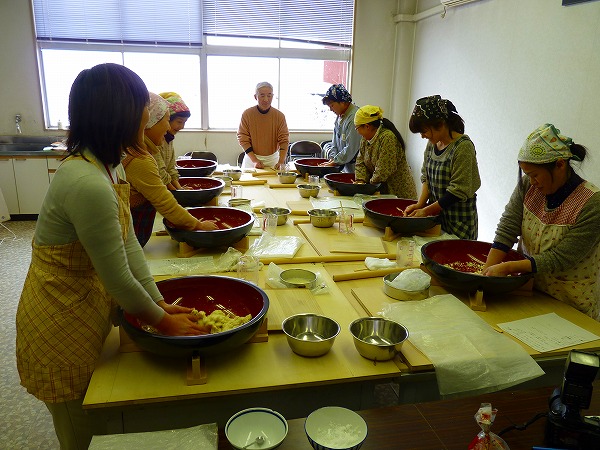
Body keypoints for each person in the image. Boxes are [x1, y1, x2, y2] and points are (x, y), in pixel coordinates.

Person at [15, 63, 209, 450]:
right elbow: (117, 274)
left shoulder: (108, 167)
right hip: (60, 319)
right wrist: (163, 323)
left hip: (83, 304)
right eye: (142, 106)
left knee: (96, 411)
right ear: (119, 113)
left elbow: (129, 245)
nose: (152, 115)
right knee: (78, 430)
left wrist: (157, 302)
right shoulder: (86, 182)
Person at [483, 124, 600, 320]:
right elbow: (508, 226)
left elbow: (562, 258)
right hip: (529, 290)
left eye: (535, 175)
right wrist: (485, 275)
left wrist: (509, 267)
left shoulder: (592, 203)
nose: (532, 181)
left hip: (570, 301)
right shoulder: (529, 185)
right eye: (527, 175)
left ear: (560, 165)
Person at [123, 92, 217, 247]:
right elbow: (164, 202)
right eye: (167, 120)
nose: (168, 127)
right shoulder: (140, 158)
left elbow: (170, 171)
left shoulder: (139, 149)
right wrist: (198, 225)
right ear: (149, 123)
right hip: (131, 235)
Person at [406, 95, 480, 239]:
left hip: (459, 223)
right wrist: (420, 204)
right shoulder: (433, 143)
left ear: (439, 124)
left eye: (424, 131)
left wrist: (426, 211)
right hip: (437, 218)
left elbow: (457, 191)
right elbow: (426, 177)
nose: (422, 136)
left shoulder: (463, 147)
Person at [353, 105, 417, 199]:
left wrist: (367, 188)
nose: (357, 132)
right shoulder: (365, 139)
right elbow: (360, 160)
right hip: (379, 189)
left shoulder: (388, 138)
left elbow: (383, 170)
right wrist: (360, 180)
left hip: (397, 192)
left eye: (357, 128)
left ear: (367, 126)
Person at [237, 81, 289, 170]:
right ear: (255, 97)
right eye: (262, 95)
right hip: (251, 159)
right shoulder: (247, 114)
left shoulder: (279, 116)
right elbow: (243, 138)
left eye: (269, 96)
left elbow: (284, 140)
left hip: (273, 160)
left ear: (273, 96)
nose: (266, 99)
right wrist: (255, 160)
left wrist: (281, 161)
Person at [318, 84, 361, 172]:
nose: (330, 109)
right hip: (344, 168)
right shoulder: (340, 116)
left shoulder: (354, 118)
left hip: (356, 169)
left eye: (332, 106)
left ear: (342, 102)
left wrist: (335, 161)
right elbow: (335, 143)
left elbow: (351, 148)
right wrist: (332, 159)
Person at [156, 91, 191, 190]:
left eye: (184, 122)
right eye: (179, 122)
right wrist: (177, 192)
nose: (182, 127)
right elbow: (161, 172)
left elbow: (171, 169)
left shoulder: (169, 139)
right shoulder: (156, 140)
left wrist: (180, 189)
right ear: (167, 119)